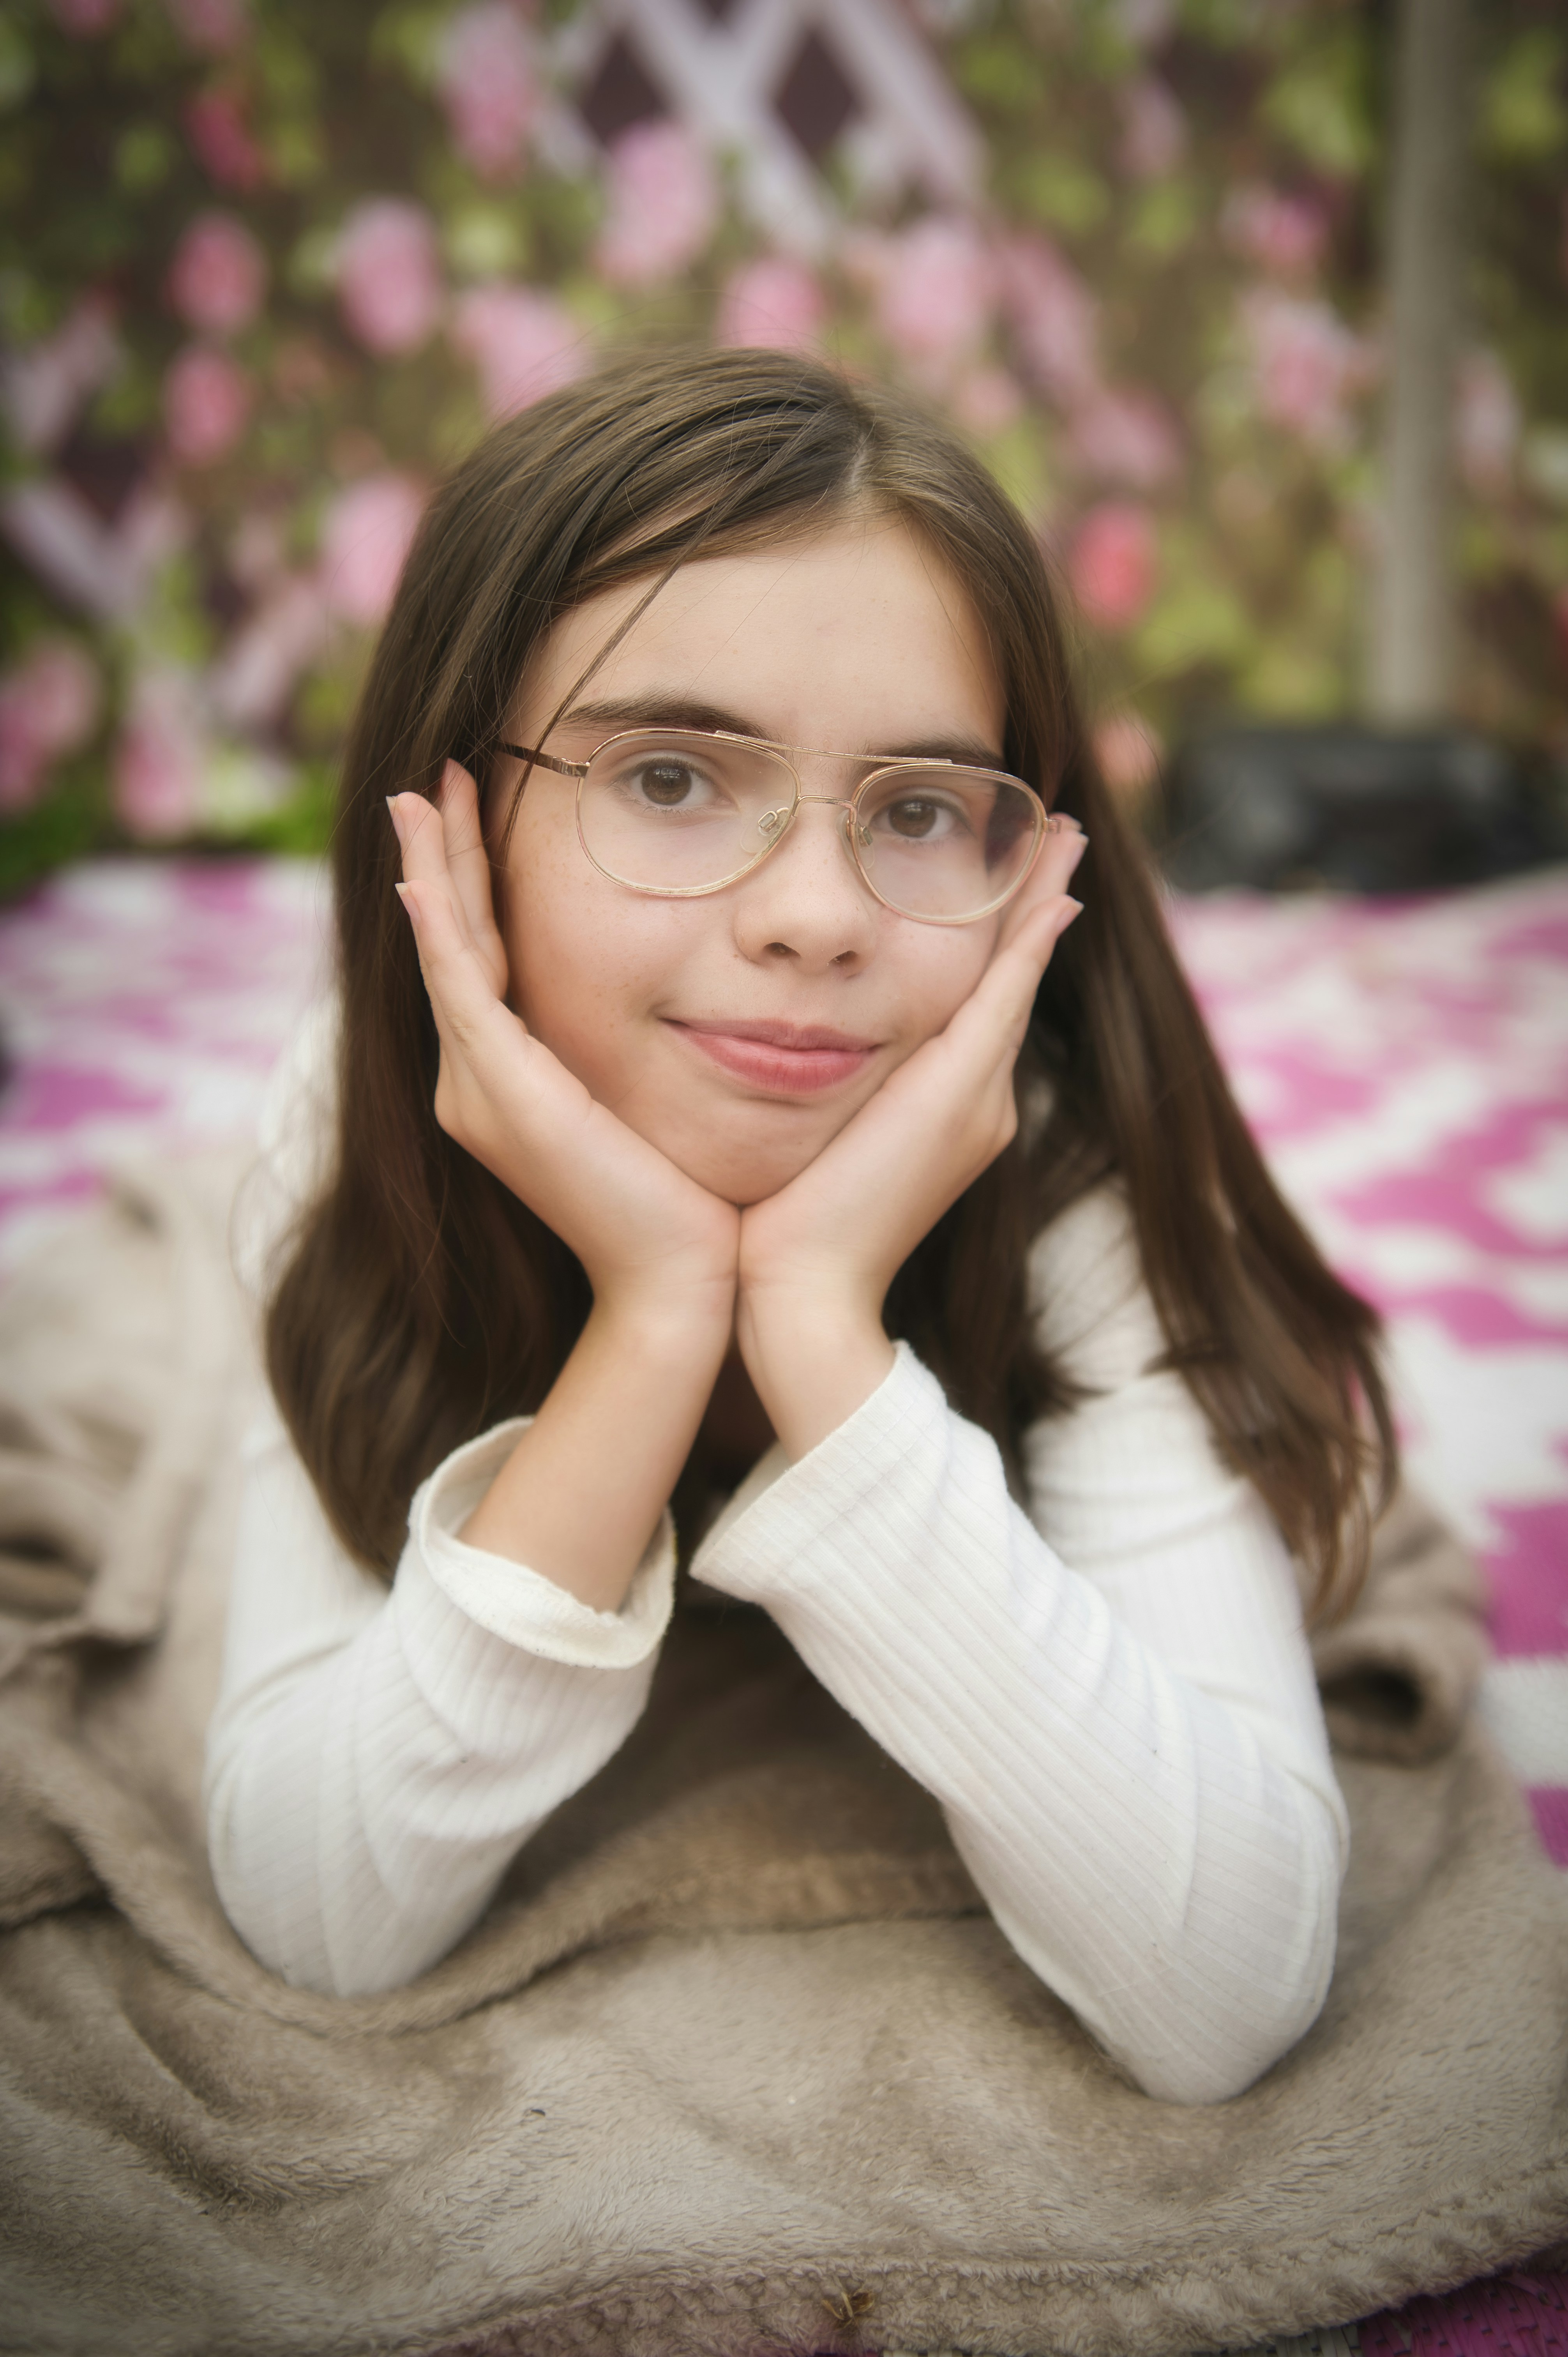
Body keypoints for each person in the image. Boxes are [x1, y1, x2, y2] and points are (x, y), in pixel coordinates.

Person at [207, 348, 1393, 2106]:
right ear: (455, 813)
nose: (817, 917)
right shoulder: (355, 1117)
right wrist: (658, 1310)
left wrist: (822, 1328)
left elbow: (1226, 1982)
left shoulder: (1071, 1171)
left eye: (920, 810)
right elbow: (317, 1908)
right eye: (672, 780)